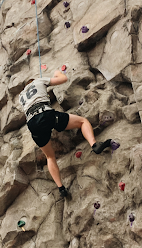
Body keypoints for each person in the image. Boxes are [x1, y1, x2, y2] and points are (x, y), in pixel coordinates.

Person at [19, 70, 113, 198]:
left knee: (50, 157)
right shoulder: (39, 81)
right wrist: (58, 73)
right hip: (45, 114)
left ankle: (61, 188)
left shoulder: (21, 96)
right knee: (82, 121)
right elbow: (63, 79)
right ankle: (94, 144)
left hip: (32, 124)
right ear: (33, 81)